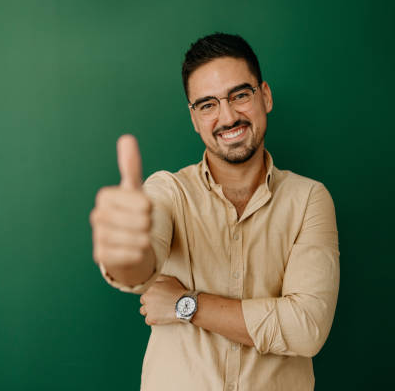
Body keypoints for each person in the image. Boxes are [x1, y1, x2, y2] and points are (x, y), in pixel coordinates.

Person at [89, 33, 340, 391]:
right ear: (194, 118)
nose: (228, 116)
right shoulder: (168, 192)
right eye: (207, 105)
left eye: (240, 95)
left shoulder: (309, 199)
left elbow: (306, 328)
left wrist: (185, 305)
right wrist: (125, 254)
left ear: (264, 96)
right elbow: (139, 270)